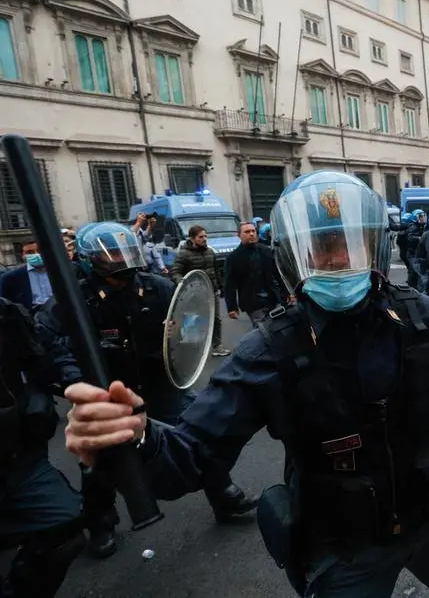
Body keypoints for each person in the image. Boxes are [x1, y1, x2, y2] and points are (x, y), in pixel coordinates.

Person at [62, 171, 429, 598]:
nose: (338, 261)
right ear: (294, 256)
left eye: (350, 244)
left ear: (375, 244)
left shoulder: (423, 317)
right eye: (322, 248)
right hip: (344, 545)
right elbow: (189, 459)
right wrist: (133, 436)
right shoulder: (267, 351)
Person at [36, 223, 257, 559]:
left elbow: (190, 321)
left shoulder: (157, 287)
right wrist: (73, 378)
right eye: (109, 256)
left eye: (124, 252)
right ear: (88, 259)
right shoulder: (74, 298)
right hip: (110, 391)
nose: (120, 261)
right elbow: (47, 338)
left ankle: (222, 494)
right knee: (99, 459)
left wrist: (186, 339)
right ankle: (101, 523)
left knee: (197, 433)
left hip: (159, 382)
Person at [0, 298, 85, 597]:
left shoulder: (6, 312)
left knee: (65, 527)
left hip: (15, 460)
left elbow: (45, 355)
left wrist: (75, 383)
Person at [172, 225, 230, 357]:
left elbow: (216, 271)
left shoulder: (210, 252)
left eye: (205, 236)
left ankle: (217, 346)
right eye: (200, 237)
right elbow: (176, 271)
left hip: (212, 291)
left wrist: (221, 287)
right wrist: (181, 282)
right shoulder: (184, 254)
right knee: (193, 318)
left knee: (215, 319)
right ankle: (193, 350)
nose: (204, 239)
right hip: (194, 293)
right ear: (192, 239)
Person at [224, 222, 289, 327]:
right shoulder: (233, 258)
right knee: (264, 330)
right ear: (239, 235)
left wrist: (286, 293)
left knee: (280, 327)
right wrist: (232, 307)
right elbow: (229, 284)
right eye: (247, 232)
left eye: (253, 231)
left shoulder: (266, 251)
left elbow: (277, 274)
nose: (251, 234)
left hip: (273, 298)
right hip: (253, 303)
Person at [0, 239, 54, 311]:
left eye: (39, 251)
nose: (36, 254)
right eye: (30, 252)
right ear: (23, 255)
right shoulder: (10, 278)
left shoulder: (61, 271)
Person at [405, 210, 427, 290]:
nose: (423, 218)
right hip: (412, 254)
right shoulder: (413, 227)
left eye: (423, 216)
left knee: (413, 272)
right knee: (419, 271)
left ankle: (412, 288)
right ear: (416, 218)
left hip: (417, 253)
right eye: (420, 217)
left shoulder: (422, 226)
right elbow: (410, 237)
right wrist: (419, 238)